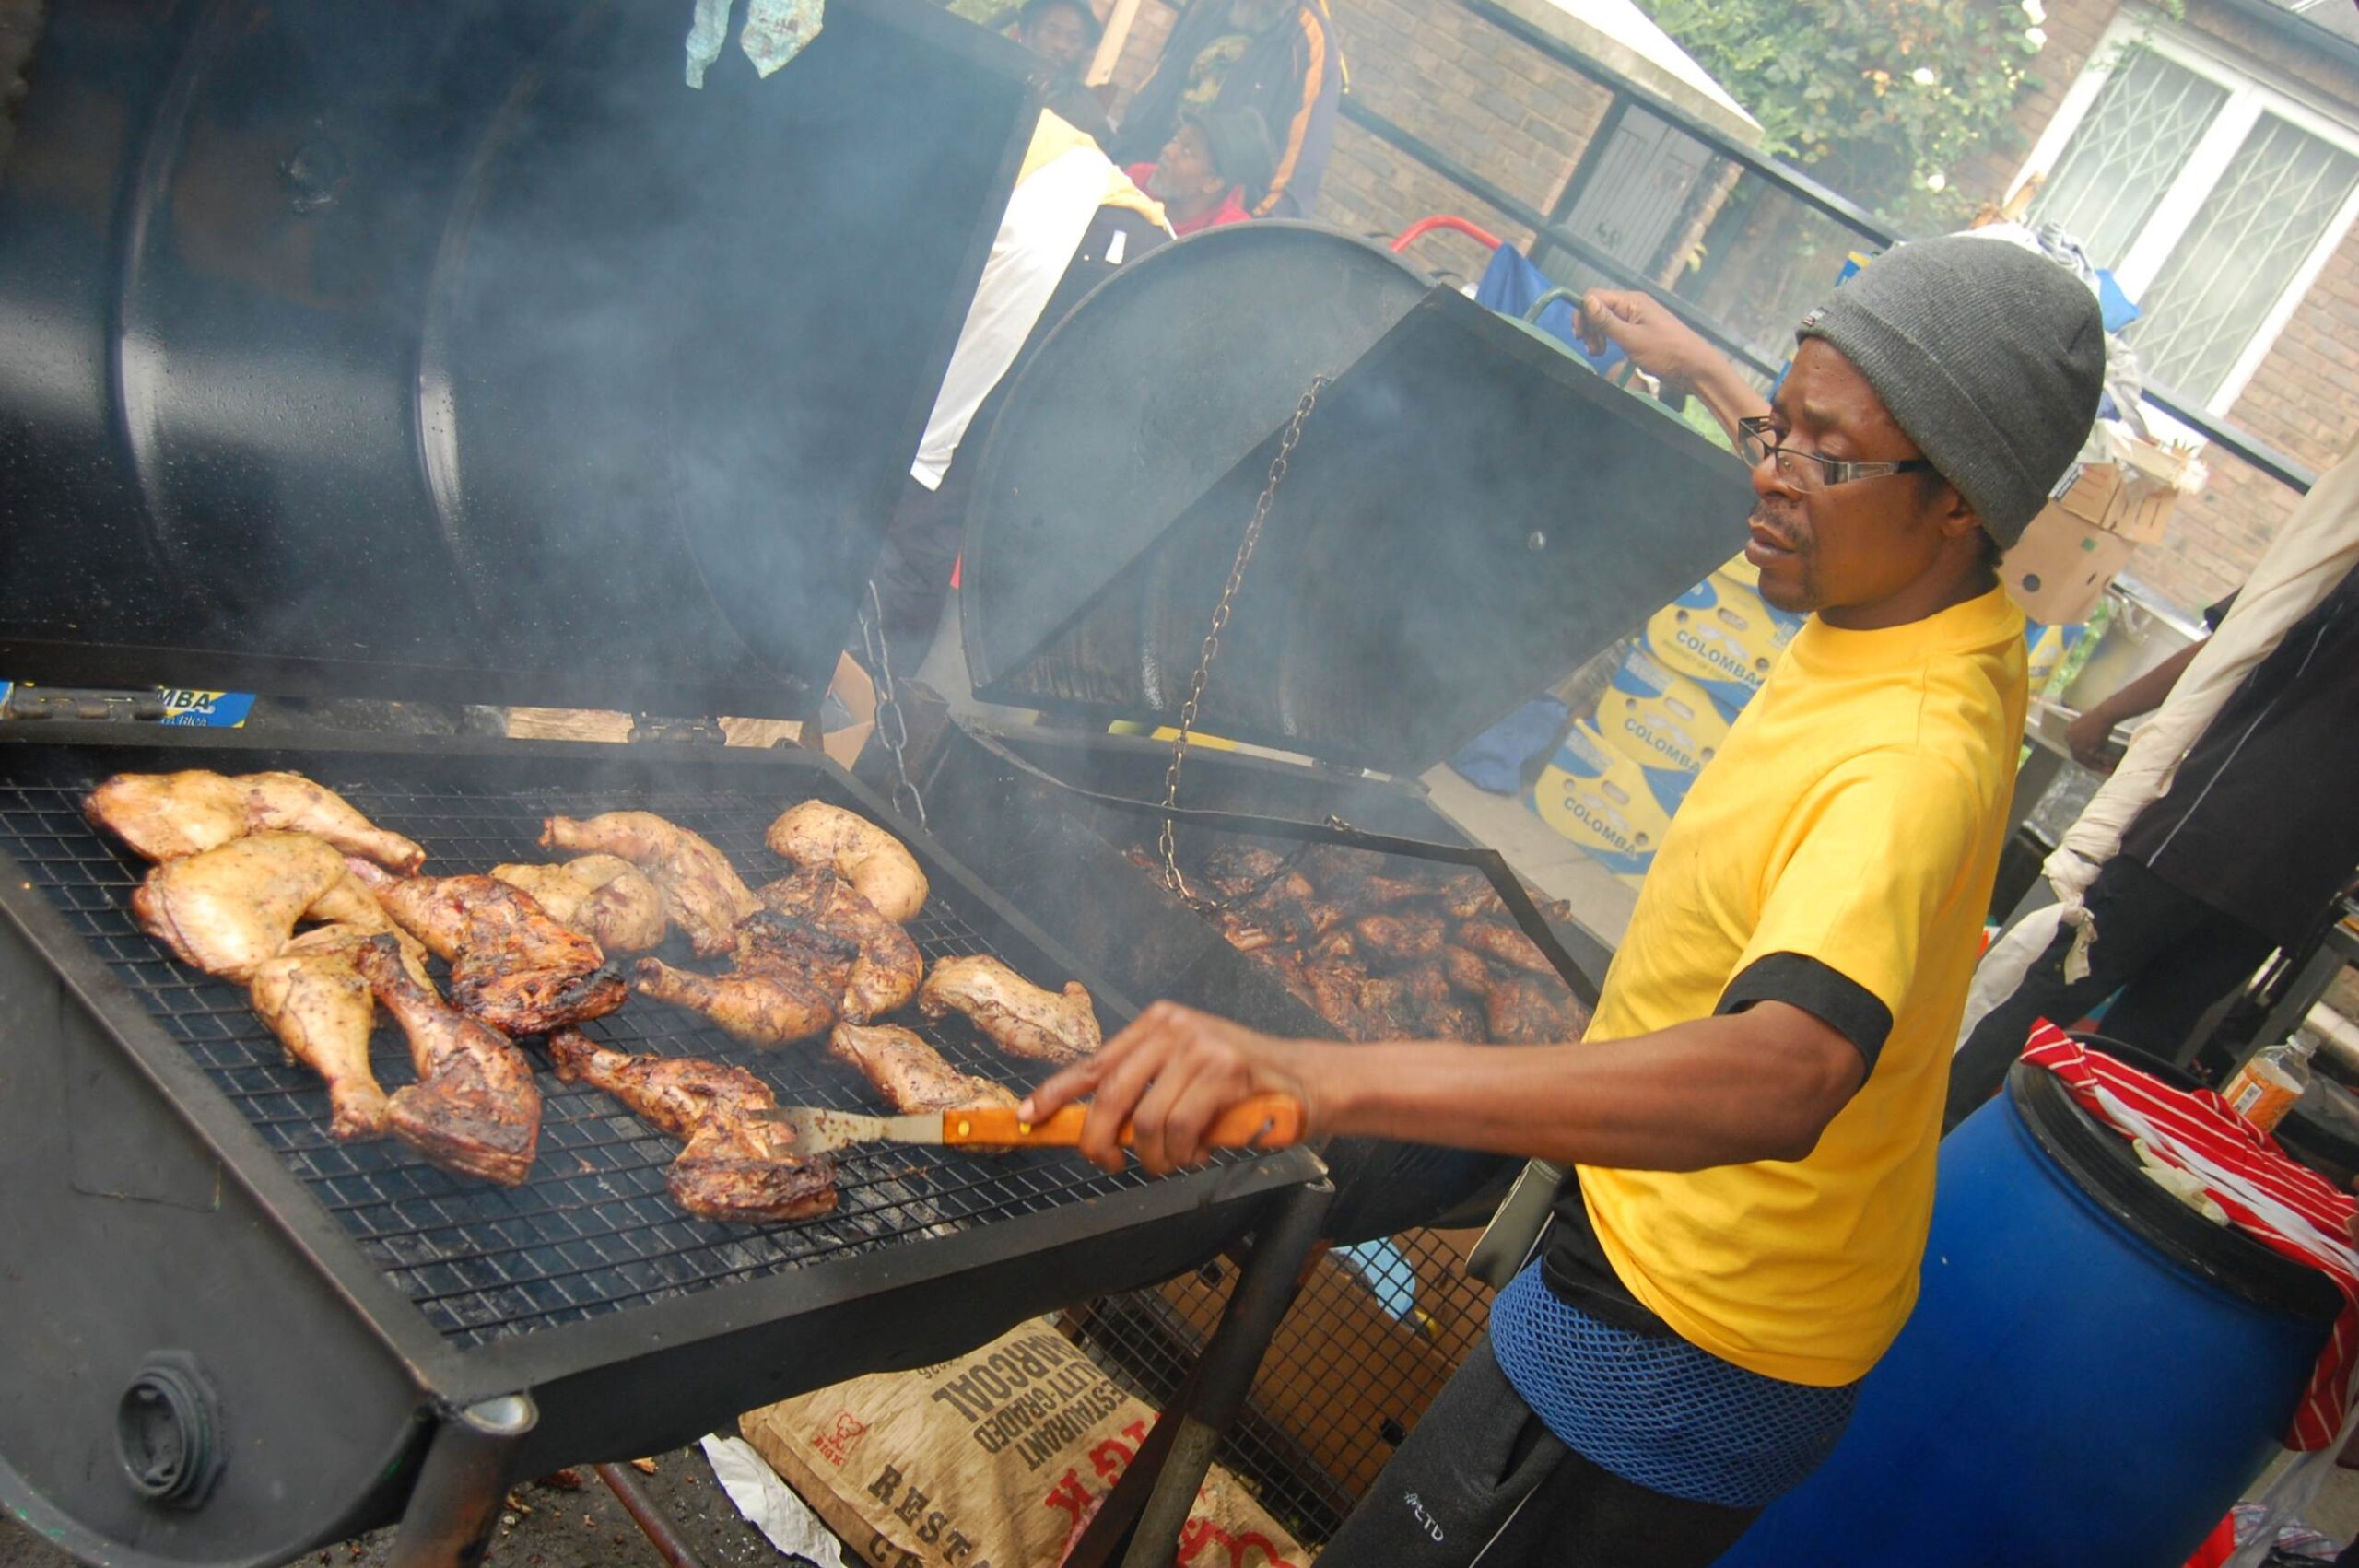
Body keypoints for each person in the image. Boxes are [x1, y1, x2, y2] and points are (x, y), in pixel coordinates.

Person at [1021, 235, 2106, 1565]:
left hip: (1689, 1332)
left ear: (1960, 503)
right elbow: (1826, 453)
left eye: (1820, 456)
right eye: (1778, 424)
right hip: (1671, 1261)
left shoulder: (1911, 756)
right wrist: (1706, 372)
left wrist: (1321, 1071)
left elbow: (1786, 1071)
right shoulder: (1922, 605)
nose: (1771, 472)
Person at [1949, 480, 2359, 1120]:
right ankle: (2027, 1160)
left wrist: (2107, 711)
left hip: (2202, 834)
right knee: (2137, 1054)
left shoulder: (2334, 558)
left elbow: (2227, 647)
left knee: (2048, 1000)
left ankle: (1939, 1135)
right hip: (2284, 891)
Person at [864, 111, 1169, 663]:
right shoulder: (1013, 127)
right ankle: (887, 673)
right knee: (982, 490)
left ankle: (868, 671)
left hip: (1063, 247)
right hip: (1145, 262)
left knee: (927, 484)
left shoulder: (924, 135)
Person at [1109, 0, 1340, 219]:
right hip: (1143, 184)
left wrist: (1235, 238)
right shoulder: (1211, 6)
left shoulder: (1309, 41)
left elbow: (1293, 186)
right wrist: (1117, 164)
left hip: (1208, 224)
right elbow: (1155, 93)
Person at [1123, 108, 1273, 236]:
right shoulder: (1137, 178)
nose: (1168, 150)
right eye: (1175, 140)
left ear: (1212, 183)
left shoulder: (1227, 236)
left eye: (1187, 152)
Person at [1007, 0, 1115, 147]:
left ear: (1083, 49)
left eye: (1074, 39)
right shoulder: (995, 76)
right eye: (1052, 32)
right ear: (1031, 32)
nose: (1061, 45)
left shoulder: (1088, 116)